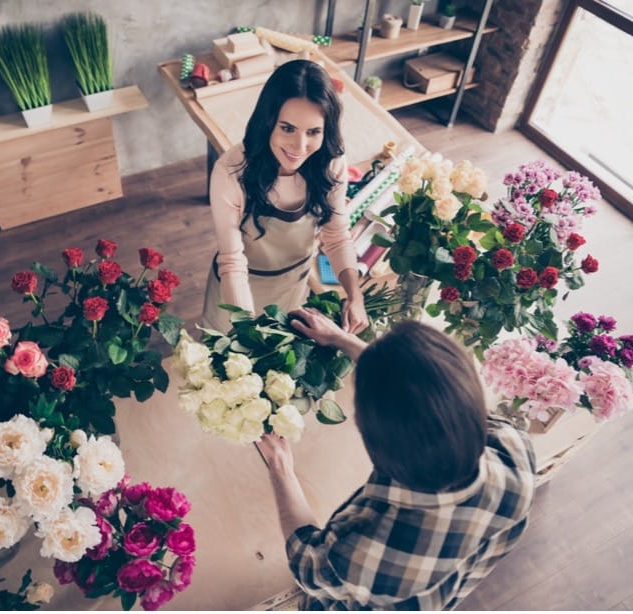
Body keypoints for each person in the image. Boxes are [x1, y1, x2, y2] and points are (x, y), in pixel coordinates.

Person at [256, 309, 536, 610]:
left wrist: (281, 467)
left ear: (373, 442)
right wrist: (343, 340)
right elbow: (432, 396)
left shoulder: (363, 552)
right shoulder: (513, 446)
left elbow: (306, 563)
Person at [202, 59, 368, 334]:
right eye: (287, 128)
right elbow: (232, 261)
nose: (299, 147)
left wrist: (355, 295)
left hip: (294, 284)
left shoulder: (331, 163)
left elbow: (336, 236)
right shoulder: (230, 172)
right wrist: (248, 331)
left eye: (313, 132)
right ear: (268, 122)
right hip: (237, 293)